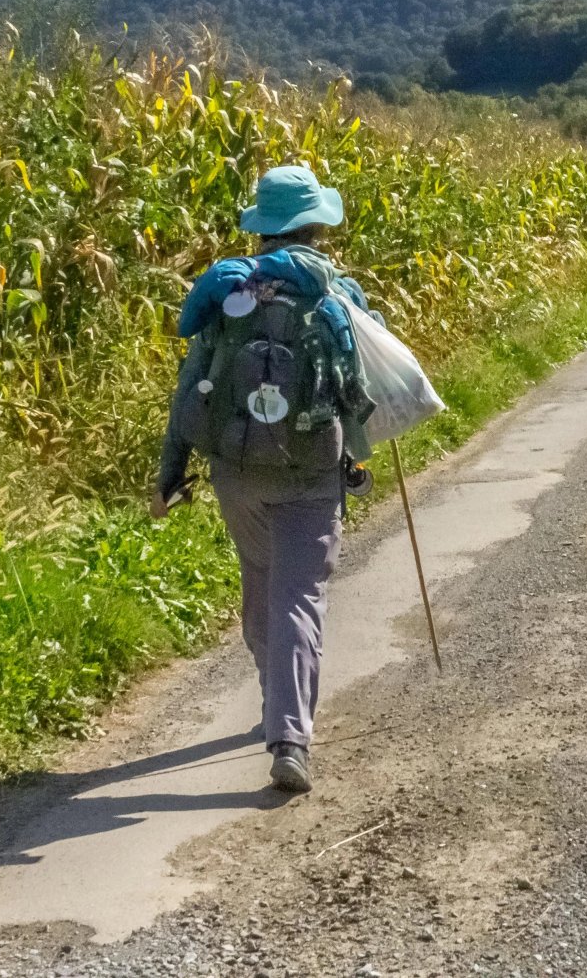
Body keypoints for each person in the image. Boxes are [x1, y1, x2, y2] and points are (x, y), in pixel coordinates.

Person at [150, 164, 374, 794]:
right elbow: (371, 384)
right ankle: (289, 738)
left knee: (261, 582)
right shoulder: (337, 296)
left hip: (236, 471)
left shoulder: (228, 298)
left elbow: (189, 390)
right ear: (315, 228)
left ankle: (277, 698)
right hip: (310, 470)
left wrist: (170, 473)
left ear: (262, 229)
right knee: (298, 596)